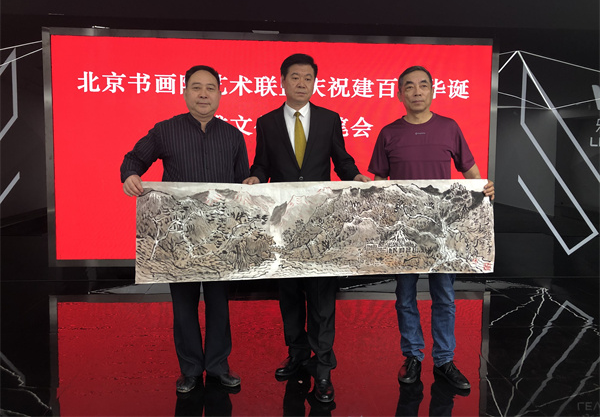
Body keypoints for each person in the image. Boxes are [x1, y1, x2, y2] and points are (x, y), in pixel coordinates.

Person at [243, 53, 370, 403]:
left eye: (308, 78)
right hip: (283, 222)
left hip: (319, 221)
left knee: (322, 296)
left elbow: (341, 159)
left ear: (315, 82)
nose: (302, 83)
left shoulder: (329, 119)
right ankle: (297, 354)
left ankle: (324, 365)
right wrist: (255, 177)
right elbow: (262, 163)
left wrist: (355, 175)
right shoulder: (267, 122)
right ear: (282, 81)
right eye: (295, 77)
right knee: (289, 294)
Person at [120, 65, 250, 394]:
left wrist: (252, 185)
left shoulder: (233, 136)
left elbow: (242, 185)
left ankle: (218, 366)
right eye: (196, 87)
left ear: (219, 94)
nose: (203, 94)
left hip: (220, 236)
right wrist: (130, 175)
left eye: (210, 88)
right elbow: (133, 159)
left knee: (219, 304)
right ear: (185, 93)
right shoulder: (165, 131)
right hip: (179, 236)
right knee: (184, 305)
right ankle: (190, 369)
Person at [368, 65, 495, 390]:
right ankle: (412, 356)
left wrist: (483, 187)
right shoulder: (388, 133)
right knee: (405, 296)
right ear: (400, 94)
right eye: (409, 86)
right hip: (404, 230)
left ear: (432, 90)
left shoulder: (449, 127)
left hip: (443, 229)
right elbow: (379, 181)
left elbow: (470, 170)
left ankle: (444, 361)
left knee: (444, 296)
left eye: (423, 85)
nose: (417, 92)